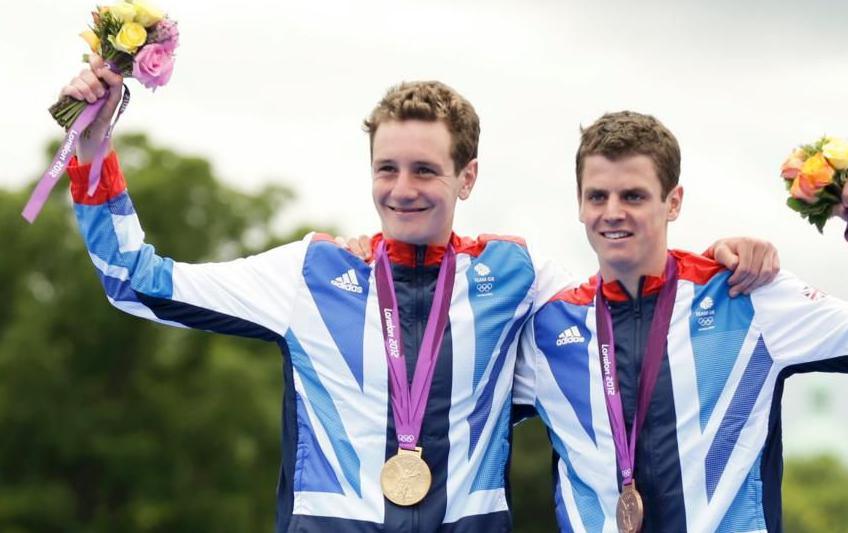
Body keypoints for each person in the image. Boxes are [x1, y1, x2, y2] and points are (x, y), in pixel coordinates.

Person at [59, 59, 779, 532]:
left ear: (466, 178)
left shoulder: (514, 274)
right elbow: (135, 279)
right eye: (388, 168)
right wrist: (94, 152)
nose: (403, 189)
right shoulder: (309, 274)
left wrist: (720, 256)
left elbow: (629, 274)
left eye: (426, 171)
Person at [514, 111, 848, 532]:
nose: (612, 212)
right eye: (597, 196)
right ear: (580, 204)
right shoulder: (549, 332)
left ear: (673, 202)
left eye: (634, 196)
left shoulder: (746, 297)